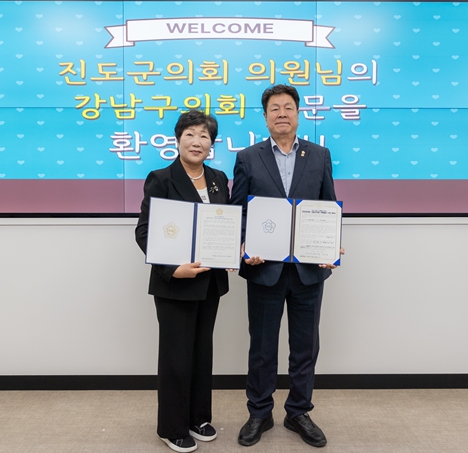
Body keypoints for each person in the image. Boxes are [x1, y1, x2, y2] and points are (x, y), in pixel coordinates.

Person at [231, 84, 343, 448]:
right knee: (262, 347)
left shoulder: (320, 155)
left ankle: (298, 412)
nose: (282, 113)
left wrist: (331, 245)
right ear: (265, 117)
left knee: (305, 346)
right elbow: (239, 211)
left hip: (309, 270)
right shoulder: (248, 157)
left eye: (288, 107)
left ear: (298, 114)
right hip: (264, 269)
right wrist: (244, 244)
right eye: (275, 108)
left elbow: (328, 206)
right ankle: (259, 412)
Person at [135, 110, 231, 453]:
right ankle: (172, 426)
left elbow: (224, 224)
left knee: (202, 353)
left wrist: (231, 251)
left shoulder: (219, 178)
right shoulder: (161, 178)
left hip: (210, 283)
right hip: (175, 283)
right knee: (176, 357)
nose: (197, 141)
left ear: (211, 144)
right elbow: (144, 231)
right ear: (178, 140)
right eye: (190, 134)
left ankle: (198, 417)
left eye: (204, 136)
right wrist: (172, 268)